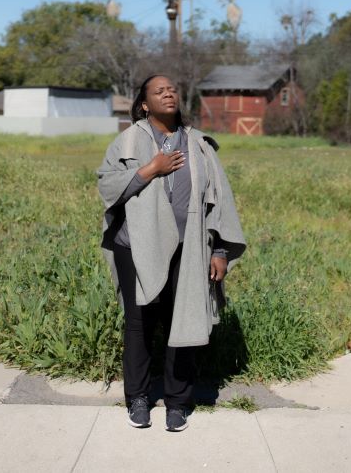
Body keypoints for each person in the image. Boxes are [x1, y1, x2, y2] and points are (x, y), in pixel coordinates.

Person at [96, 74, 246, 432]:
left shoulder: (198, 145)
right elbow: (108, 184)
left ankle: (178, 403)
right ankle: (139, 398)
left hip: (189, 248)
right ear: (144, 104)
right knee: (139, 324)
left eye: (173, 89)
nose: (169, 93)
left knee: (184, 321)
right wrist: (152, 168)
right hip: (135, 246)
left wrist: (220, 249)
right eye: (159, 91)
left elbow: (218, 201)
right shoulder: (128, 140)